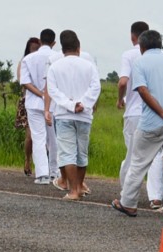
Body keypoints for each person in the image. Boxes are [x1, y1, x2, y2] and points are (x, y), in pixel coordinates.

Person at [111, 30, 163, 217]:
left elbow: (143, 91)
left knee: (138, 163)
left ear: (141, 46)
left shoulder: (140, 62)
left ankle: (128, 203)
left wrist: (162, 112)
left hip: (151, 123)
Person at [46, 30, 101, 200]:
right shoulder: (89, 66)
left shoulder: (55, 67)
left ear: (62, 49)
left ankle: (73, 190)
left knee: (67, 152)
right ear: (78, 47)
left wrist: (70, 104)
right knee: (81, 153)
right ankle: (79, 186)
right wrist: (82, 103)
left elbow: (52, 91)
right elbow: (96, 87)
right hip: (84, 115)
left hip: (64, 114)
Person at [117, 21, 163, 209]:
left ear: (133, 36)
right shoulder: (162, 57)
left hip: (135, 112)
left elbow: (122, 82)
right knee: (155, 156)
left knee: (133, 156)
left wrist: (120, 99)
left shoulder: (129, 55)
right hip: (157, 112)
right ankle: (155, 197)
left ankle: (126, 195)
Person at [20, 29, 59, 184]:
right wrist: (47, 95)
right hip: (53, 104)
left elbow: (25, 82)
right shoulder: (57, 58)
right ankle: (54, 172)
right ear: (54, 43)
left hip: (33, 103)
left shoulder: (28, 59)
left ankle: (42, 174)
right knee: (53, 138)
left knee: (38, 138)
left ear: (41, 41)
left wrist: (40, 94)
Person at [15, 37, 41, 177]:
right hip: (28, 101)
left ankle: (43, 166)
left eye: (38, 49)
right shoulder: (24, 62)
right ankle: (27, 159)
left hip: (44, 101)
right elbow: (22, 81)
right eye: (33, 49)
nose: (35, 52)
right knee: (30, 136)